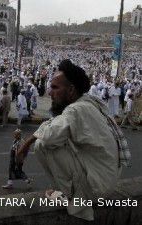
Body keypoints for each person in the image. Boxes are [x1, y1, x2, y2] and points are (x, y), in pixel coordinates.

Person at [17, 60, 130, 221]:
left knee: (44, 144)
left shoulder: (77, 109)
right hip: (103, 178)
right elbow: (54, 124)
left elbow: (49, 135)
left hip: (97, 186)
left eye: (55, 87)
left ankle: (72, 199)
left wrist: (27, 143)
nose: (50, 92)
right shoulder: (88, 102)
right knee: (53, 135)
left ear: (71, 90)